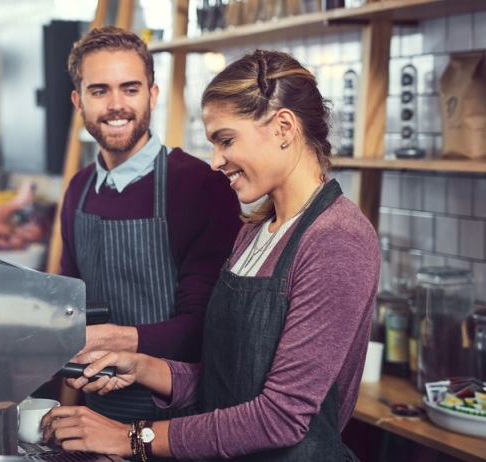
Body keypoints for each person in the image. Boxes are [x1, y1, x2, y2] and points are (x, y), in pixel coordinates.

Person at [43, 49, 379, 461]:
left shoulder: (337, 239)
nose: (216, 161)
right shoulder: (255, 233)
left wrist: (132, 437)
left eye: (226, 140)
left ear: (284, 127)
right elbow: (228, 384)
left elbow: (281, 417)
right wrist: (144, 368)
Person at [58, 26, 242, 424]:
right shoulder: (77, 190)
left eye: (130, 88)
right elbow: (67, 312)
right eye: (99, 90)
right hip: (97, 418)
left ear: (153, 96)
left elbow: (205, 329)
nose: (116, 105)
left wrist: (112, 337)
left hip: (181, 425)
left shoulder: (200, 186)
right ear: (78, 101)